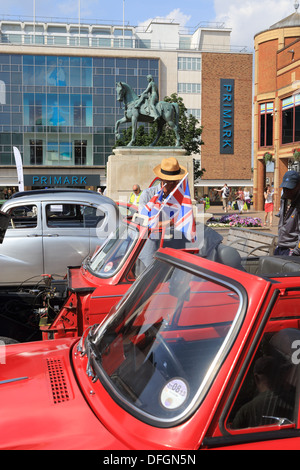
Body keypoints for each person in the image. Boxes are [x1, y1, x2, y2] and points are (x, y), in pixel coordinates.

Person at [274, 170, 300, 256]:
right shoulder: (284, 199)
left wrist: (296, 252)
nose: (286, 191)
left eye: (290, 188)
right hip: (280, 247)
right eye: (284, 188)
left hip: (291, 251)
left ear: (298, 186)